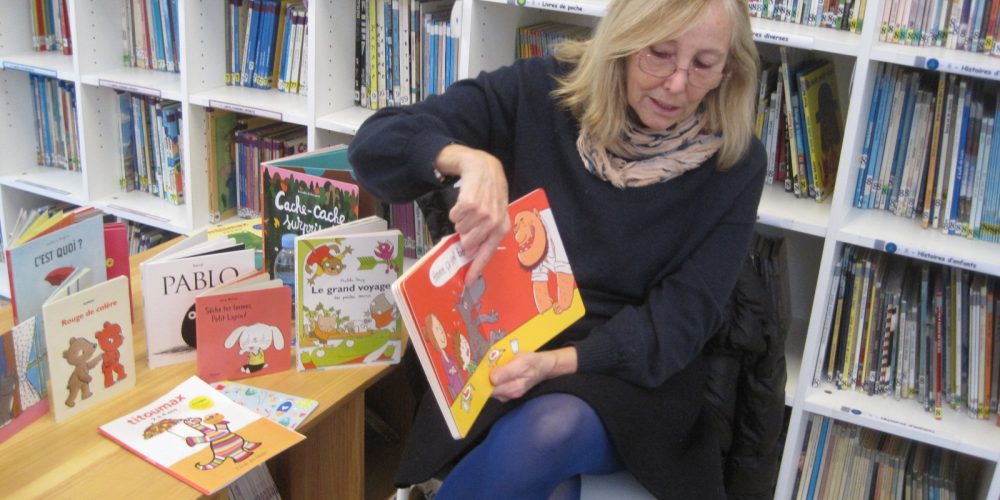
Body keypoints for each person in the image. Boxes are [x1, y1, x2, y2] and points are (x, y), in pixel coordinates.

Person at [348, 0, 765, 498]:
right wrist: (468, 160)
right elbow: (373, 146)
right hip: (510, 340)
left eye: (704, 64)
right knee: (548, 488)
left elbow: (680, 322)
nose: (678, 84)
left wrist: (557, 363)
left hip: (631, 368)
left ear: (728, 70)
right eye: (659, 54)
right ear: (624, 43)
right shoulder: (539, 90)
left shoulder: (736, 163)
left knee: (548, 431)